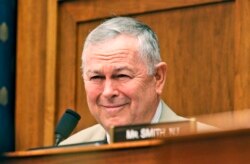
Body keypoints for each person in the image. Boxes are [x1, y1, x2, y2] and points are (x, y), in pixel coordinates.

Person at [60, 17, 216, 145]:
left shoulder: (211, 146)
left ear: (158, 77)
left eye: (121, 76)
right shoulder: (68, 152)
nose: (108, 92)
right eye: (96, 77)